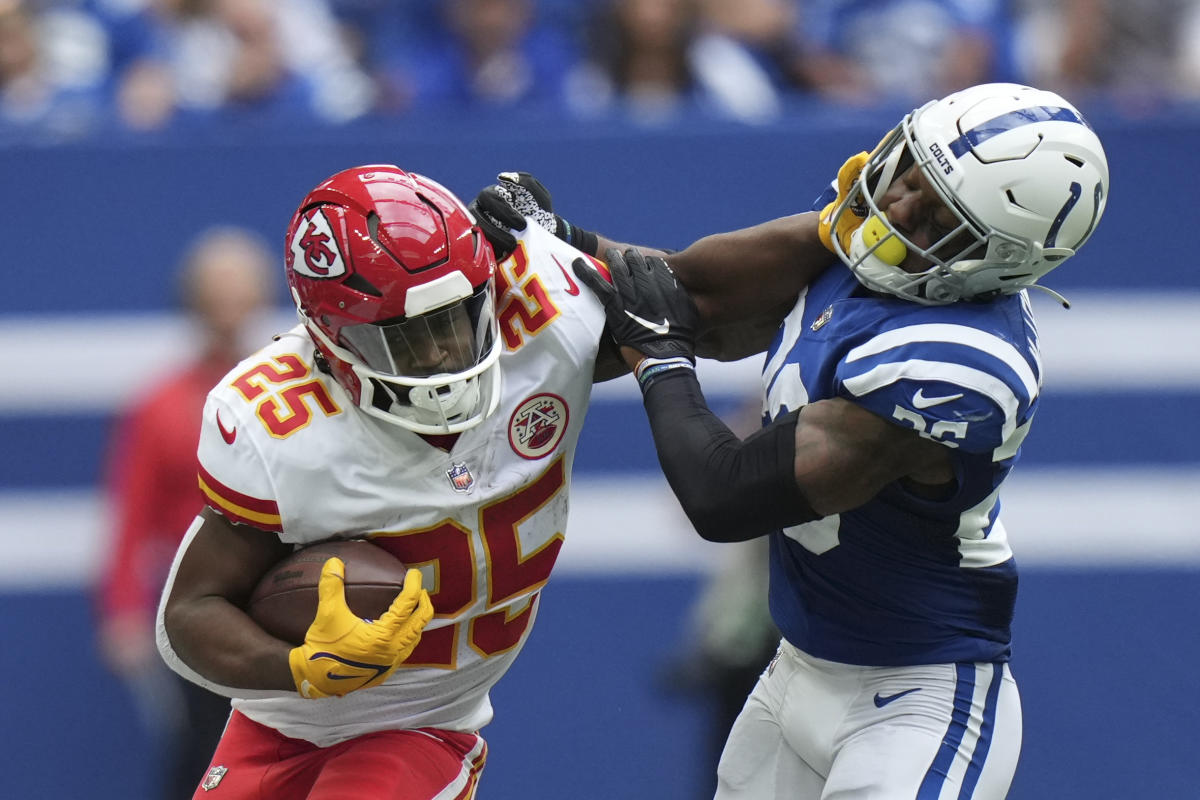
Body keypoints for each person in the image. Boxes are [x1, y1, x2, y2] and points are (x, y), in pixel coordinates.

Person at [476, 82, 1109, 798]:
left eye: (936, 216)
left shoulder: (959, 364)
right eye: (910, 173)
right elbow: (689, 296)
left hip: (917, 704)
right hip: (796, 676)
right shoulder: (861, 237)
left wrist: (660, 359)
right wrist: (560, 243)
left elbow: (725, 496)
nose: (897, 208)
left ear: (996, 263)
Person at [154, 163, 645, 799]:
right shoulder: (281, 425)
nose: (443, 353)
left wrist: (579, 240)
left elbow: (687, 300)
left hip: (424, 722)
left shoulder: (543, 314)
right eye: (406, 337)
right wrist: (299, 667)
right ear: (331, 336)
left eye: (456, 318)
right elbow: (188, 613)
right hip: (277, 724)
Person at [96, 225, 276, 800]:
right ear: (192, 301)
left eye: (237, 291)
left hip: (281, 601)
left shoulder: (288, 397)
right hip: (196, 607)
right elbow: (131, 517)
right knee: (202, 752)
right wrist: (122, 607)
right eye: (213, 292)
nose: (225, 307)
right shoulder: (159, 405)